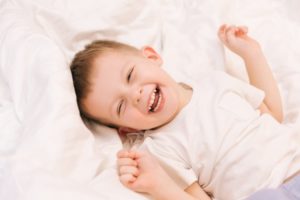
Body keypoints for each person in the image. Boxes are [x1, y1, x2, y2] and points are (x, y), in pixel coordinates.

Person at [70, 24, 300, 199]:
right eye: (121, 106)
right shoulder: (159, 148)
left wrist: (252, 55)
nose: (135, 95)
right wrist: (159, 186)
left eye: (130, 76)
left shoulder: (214, 82)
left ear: (151, 56)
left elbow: (272, 116)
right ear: (126, 129)